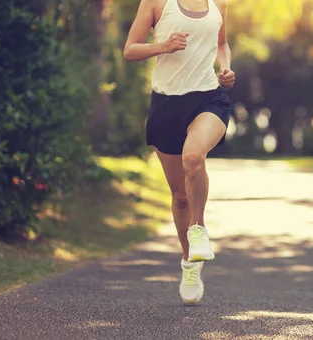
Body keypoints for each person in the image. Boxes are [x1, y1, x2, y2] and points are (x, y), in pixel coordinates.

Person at [123, 0, 235, 304]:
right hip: (166, 105)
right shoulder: (156, 3)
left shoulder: (218, 4)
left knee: (193, 157)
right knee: (179, 197)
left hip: (208, 99)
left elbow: (222, 44)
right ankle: (189, 262)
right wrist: (164, 46)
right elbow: (130, 49)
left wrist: (225, 69)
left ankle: (198, 229)